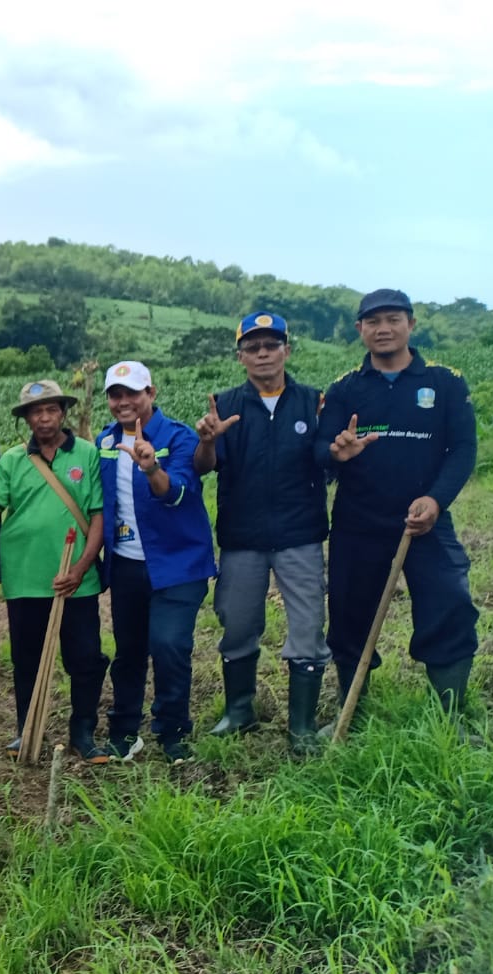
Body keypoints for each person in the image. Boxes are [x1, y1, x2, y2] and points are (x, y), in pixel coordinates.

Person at [315, 288, 478, 717]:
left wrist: (436, 500)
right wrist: (337, 451)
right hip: (358, 522)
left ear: (411, 324)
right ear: (359, 329)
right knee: (349, 616)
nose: (383, 329)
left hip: (426, 521)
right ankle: (351, 706)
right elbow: (320, 448)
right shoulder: (345, 388)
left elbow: (463, 450)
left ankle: (450, 712)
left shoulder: (444, 382)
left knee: (450, 604)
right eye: (373, 322)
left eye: (393, 319)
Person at [193, 313, 330, 752]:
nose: (263, 354)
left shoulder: (314, 402)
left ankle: (302, 726)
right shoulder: (225, 404)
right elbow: (204, 467)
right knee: (237, 623)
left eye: (272, 345)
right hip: (242, 537)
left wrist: (341, 452)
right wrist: (208, 440)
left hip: (300, 534)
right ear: (241, 357)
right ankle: (239, 712)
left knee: (308, 626)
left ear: (287, 351)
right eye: (253, 347)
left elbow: (328, 462)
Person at [0, 380, 112, 764]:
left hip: (76, 581)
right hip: (25, 579)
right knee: (27, 660)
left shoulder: (88, 454)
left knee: (83, 659)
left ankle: (83, 732)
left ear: (63, 412)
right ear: (26, 418)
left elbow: (99, 515)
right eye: (36, 411)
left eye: (51, 409)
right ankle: (26, 729)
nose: (44, 417)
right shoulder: (13, 461)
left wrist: (82, 568)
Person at [96, 361, 216, 765]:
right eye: (116, 394)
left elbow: (177, 492)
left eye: (133, 393)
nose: (124, 401)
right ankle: (125, 729)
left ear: (152, 393)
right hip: (127, 565)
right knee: (128, 650)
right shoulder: (105, 442)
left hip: (178, 563)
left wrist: (151, 468)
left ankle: (172, 729)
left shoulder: (178, 437)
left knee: (168, 644)